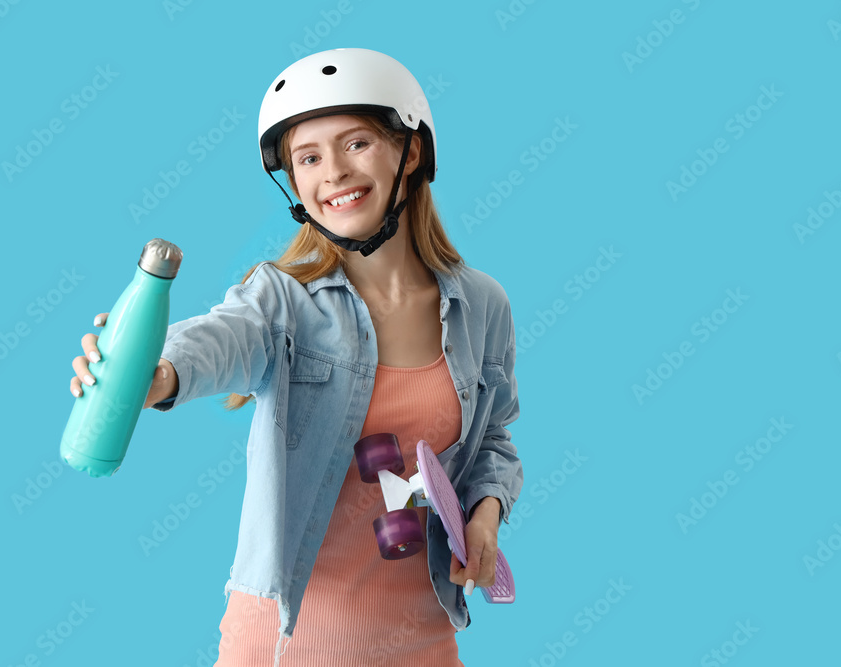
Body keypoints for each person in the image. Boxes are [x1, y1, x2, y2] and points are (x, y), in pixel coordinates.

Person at [68, 47, 522, 666]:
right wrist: (159, 371)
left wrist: (486, 515)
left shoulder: (481, 305)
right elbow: (222, 337)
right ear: (295, 184)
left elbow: (492, 436)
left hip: (422, 640)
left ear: (409, 152)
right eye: (308, 157)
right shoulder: (281, 302)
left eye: (356, 143)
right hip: (284, 644)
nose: (332, 171)